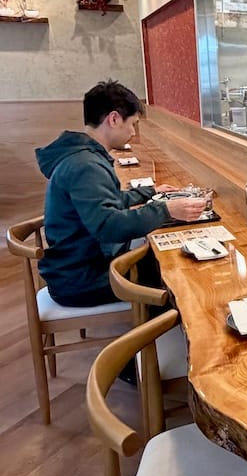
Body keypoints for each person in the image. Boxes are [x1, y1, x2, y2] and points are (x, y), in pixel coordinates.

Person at [36, 79, 206, 307]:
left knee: (163, 260)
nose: (134, 133)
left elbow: (108, 202)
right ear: (114, 119)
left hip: (78, 265)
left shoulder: (82, 156)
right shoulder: (85, 165)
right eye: (133, 124)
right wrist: (165, 209)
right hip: (82, 279)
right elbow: (108, 226)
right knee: (179, 279)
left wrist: (149, 193)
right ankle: (149, 338)